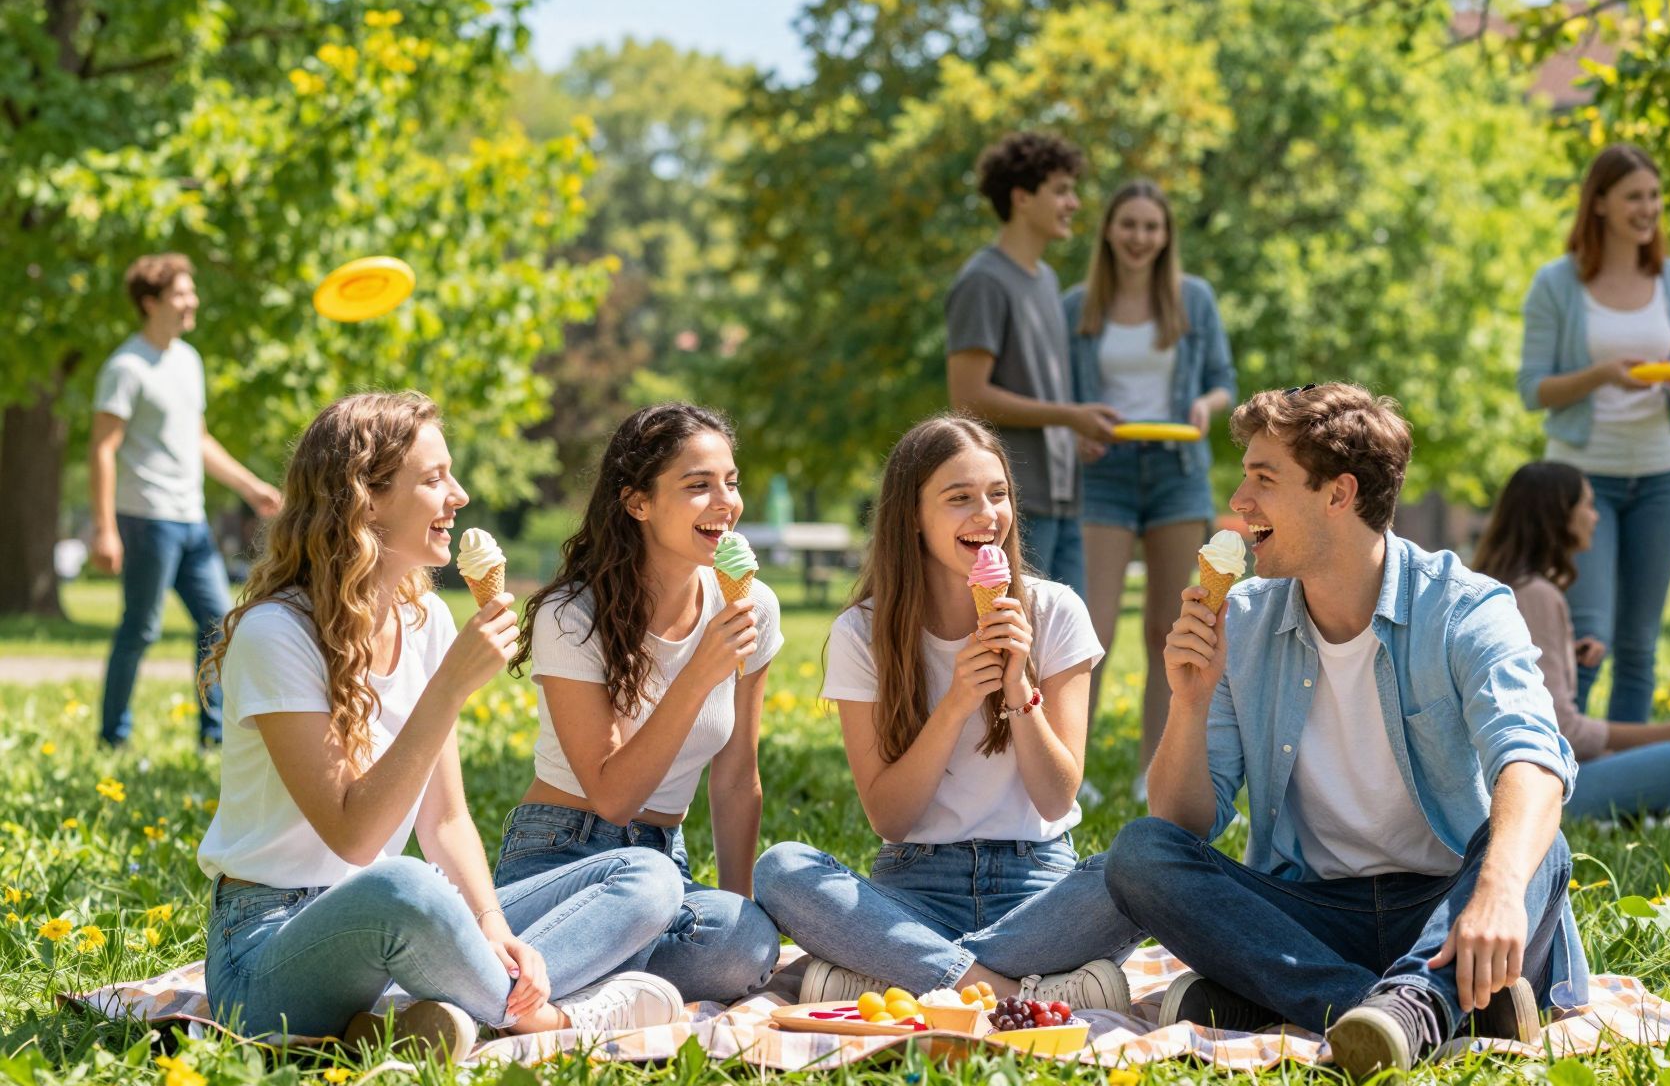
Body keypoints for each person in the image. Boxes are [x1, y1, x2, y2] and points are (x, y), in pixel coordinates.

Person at [1103, 384, 1587, 1076]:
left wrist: (1500, 890)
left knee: (1543, 848)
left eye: (1263, 479)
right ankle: (1404, 1007)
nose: (1239, 501)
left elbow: (1533, 758)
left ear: (1338, 494)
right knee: (1140, 853)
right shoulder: (1242, 621)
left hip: (1447, 906)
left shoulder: (1466, 608)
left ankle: (1296, 998)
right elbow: (1182, 824)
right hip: (1310, 912)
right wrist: (1187, 702)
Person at [196, 393, 686, 1055]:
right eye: (433, 479)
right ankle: (553, 1020)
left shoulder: (425, 623)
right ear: (364, 500)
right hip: (268, 952)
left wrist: (490, 924)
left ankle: (422, 1011)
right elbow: (355, 836)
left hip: (404, 928)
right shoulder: (276, 633)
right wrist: (449, 688)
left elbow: (446, 820)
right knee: (406, 884)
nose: (457, 495)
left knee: (645, 876)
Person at [753, 416, 1143, 1010]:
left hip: (1036, 886)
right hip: (916, 884)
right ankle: (1008, 992)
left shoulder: (1056, 611)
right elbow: (890, 816)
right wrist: (958, 701)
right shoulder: (864, 632)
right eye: (959, 498)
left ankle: (899, 972)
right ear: (912, 515)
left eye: (998, 493)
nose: (986, 514)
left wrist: (1019, 689)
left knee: (1144, 864)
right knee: (782, 870)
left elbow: (1058, 799)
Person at [499, 404, 784, 1002]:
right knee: (650, 883)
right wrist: (698, 673)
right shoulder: (573, 615)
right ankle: (504, 978)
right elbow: (613, 796)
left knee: (746, 945)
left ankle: (555, 989)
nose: (725, 502)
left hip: (663, 861)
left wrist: (741, 908)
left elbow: (737, 778)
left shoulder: (751, 605)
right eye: (698, 486)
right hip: (560, 853)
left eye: (731, 483)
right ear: (637, 503)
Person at [1516, 146, 1670, 724]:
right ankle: (1565, 770)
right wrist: (1600, 374)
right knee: (1590, 635)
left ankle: (1630, 789)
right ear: (1599, 203)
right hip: (1583, 480)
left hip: (1661, 474)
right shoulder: (1557, 283)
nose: (1647, 209)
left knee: (1639, 645)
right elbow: (1533, 389)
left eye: (1653, 196)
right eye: (1633, 197)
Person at [1065, 181, 1236, 793]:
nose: (1140, 237)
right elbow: (1060, 398)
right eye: (1129, 225)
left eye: (1152, 227)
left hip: (1175, 471)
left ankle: (1153, 770)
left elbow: (1223, 381)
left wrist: (1204, 406)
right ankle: (1069, 767)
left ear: (1166, 237)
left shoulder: (1193, 299)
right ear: (1109, 230)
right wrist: (1077, 427)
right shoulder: (1076, 307)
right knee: (1092, 626)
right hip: (1103, 473)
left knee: (1172, 626)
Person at [90, 253, 283, 748]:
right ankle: (114, 736)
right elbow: (103, 448)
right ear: (150, 302)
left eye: (190, 291)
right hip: (146, 519)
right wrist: (105, 527)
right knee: (141, 629)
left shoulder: (189, 360)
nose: (191, 301)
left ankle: (214, 734)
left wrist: (249, 486)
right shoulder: (126, 367)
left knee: (218, 625)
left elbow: (198, 439)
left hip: (190, 518)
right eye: (180, 293)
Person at [1472, 461, 1670, 821]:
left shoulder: (1500, 585)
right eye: (1587, 505)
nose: (1596, 517)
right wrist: (1667, 733)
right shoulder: (1537, 595)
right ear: (1558, 515)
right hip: (1522, 798)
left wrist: (1564, 654)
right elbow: (1563, 730)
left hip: (1498, 782)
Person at [946, 131, 1121, 596]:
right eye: (1061, 190)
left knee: (1070, 648)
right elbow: (968, 397)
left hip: (1064, 496)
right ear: (1022, 198)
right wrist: (1069, 416)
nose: (1074, 203)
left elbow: (1041, 390)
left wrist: (1073, 432)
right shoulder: (983, 281)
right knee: (1017, 644)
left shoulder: (1046, 281)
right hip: (1014, 502)